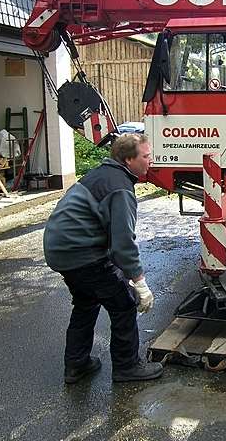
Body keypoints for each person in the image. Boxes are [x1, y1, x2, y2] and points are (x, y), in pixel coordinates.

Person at [43, 133, 163, 383]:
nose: (150, 160)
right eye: (146, 156)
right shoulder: (119, 187)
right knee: (125, 303)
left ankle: (76, 365)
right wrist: (139, 282)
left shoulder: (102, 174)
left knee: (86, 301)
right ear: (129, 159)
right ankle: (127, 367)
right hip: (81, 254)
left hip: (60, 250)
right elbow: (122, 244)